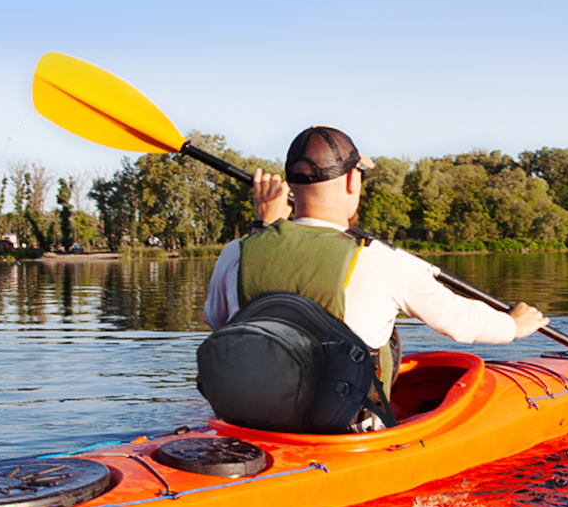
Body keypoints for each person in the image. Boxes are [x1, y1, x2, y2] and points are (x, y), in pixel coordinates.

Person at [201, 126, 548, 433]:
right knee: (384, 340)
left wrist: (265, 230)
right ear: (353, 180)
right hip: (344, 431)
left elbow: (221, 321)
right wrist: (513, 325)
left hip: (252, 423)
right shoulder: (381, 260)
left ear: (290, 184)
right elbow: (461, 323)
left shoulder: (238, 251)